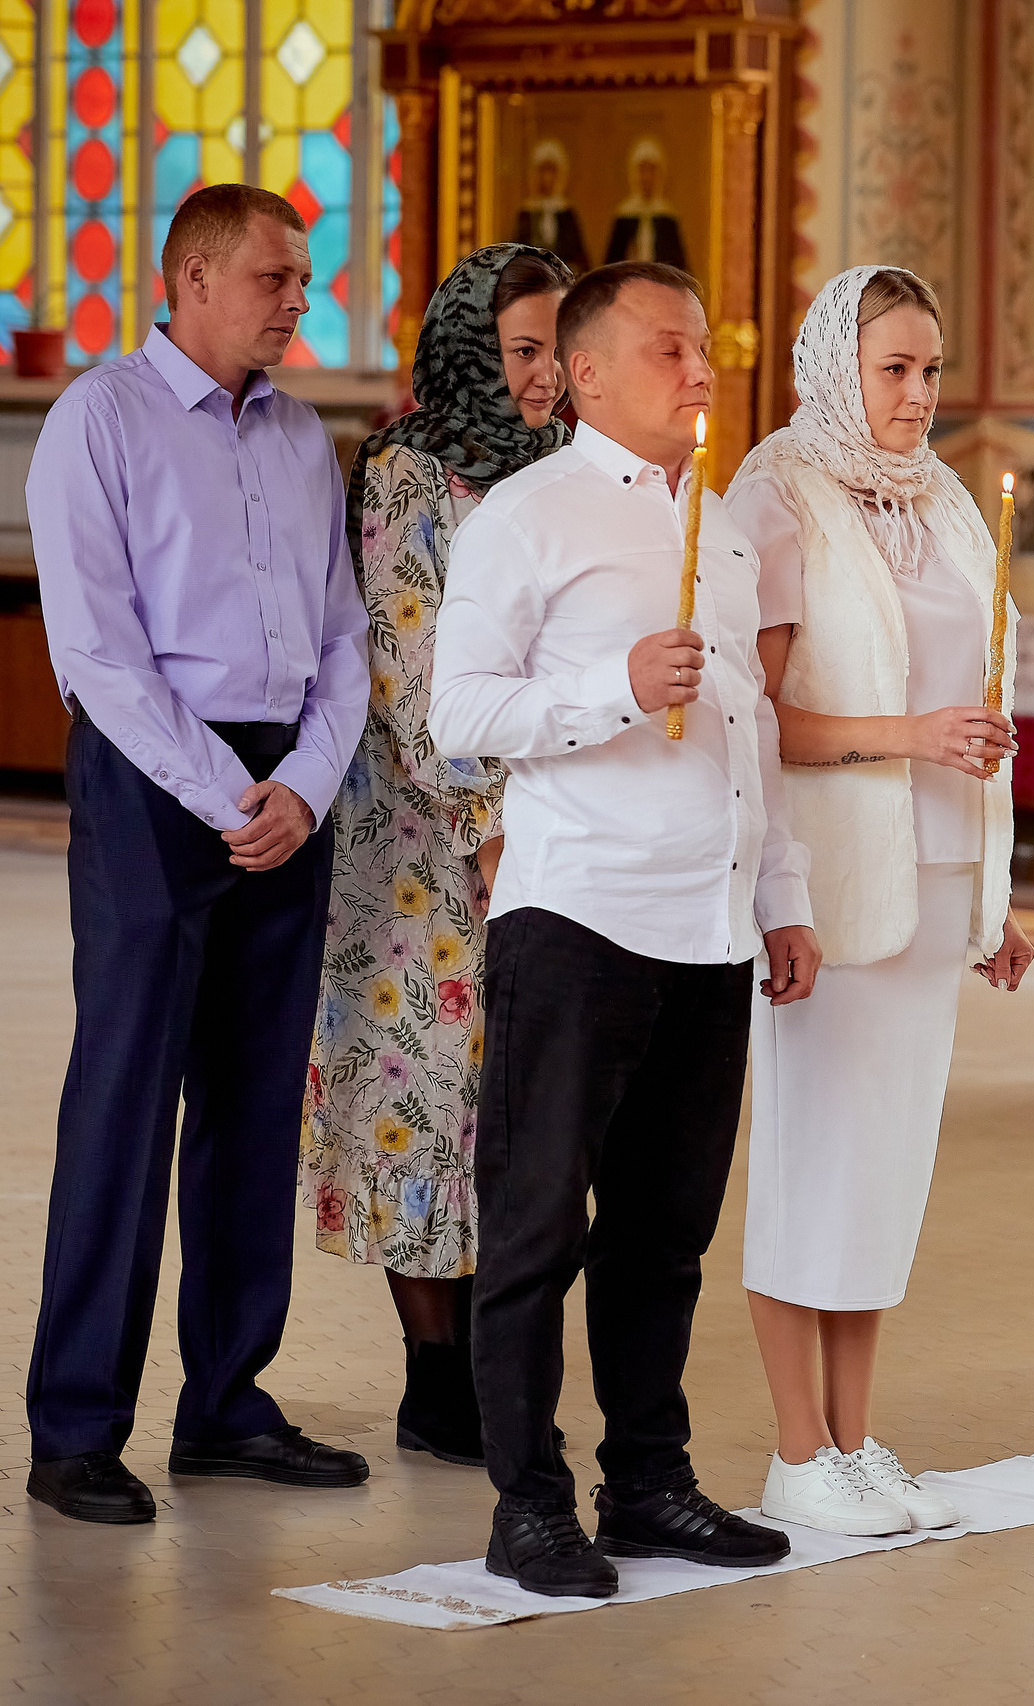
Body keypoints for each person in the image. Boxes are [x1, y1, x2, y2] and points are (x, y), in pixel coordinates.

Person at [429, 259, 821, 1597]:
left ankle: (648, 1481)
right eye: (671, 349)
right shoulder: (526, 520)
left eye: (706, 347)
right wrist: (611, 683)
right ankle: (526, 1502)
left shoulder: (723, 526)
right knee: (536, 1224)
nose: (702, 368)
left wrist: (783, 897)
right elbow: (459, 715)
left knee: (665, 1232)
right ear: (587, 373)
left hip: (707, 929)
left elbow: (749, 731)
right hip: (581, 913)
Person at [23, 183, 371, 1524]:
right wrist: (231, 790)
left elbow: (342, 641)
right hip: (157, 779)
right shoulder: (98, 420)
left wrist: (304, 781)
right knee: (127, 1093)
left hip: (285, 780)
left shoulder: (301, 439)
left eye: (303, 278)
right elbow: (97, 654)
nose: (299, 299)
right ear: (193, 278)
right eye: (279, 277)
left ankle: (227, 1400)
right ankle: (76, 1426)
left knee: (251, 1100)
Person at [725, 264, 1034, 1539]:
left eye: (930, 367)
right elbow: (760, 720)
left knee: (885, 1174)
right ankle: (794, 1449)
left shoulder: (949, 498)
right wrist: (908, 734)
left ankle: (855, 1442)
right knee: (814, 1162)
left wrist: (993, 895)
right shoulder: (776, 486)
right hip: (831, 880)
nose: (918, 393)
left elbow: (984, 697)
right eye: (894, 368)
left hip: (940, 875)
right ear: (836, 367)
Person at [302, 242, 576, 1470]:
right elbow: (409, 670)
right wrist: (488, 829)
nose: (545, 374)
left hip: (549, 820)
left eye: (558, 349)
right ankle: (434, 1376)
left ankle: (498, 1356)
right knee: (424, 1088)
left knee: (514, 1099)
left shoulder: (574, 466)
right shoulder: (412, 472)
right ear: (473, 344)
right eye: (524, 348)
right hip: (426, 835)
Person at [604, 138, 687, 271]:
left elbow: (679, 267)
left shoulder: (667, 217)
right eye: (642, 170)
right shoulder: (624, 216)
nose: (647, 177)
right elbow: (610, 266)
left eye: (652, 170)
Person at [513, 142, 590, 273]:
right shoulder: (527, 212)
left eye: (552, 171)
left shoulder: (566, 212)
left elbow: (579, 256)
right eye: (542, 171)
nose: (547, 178)